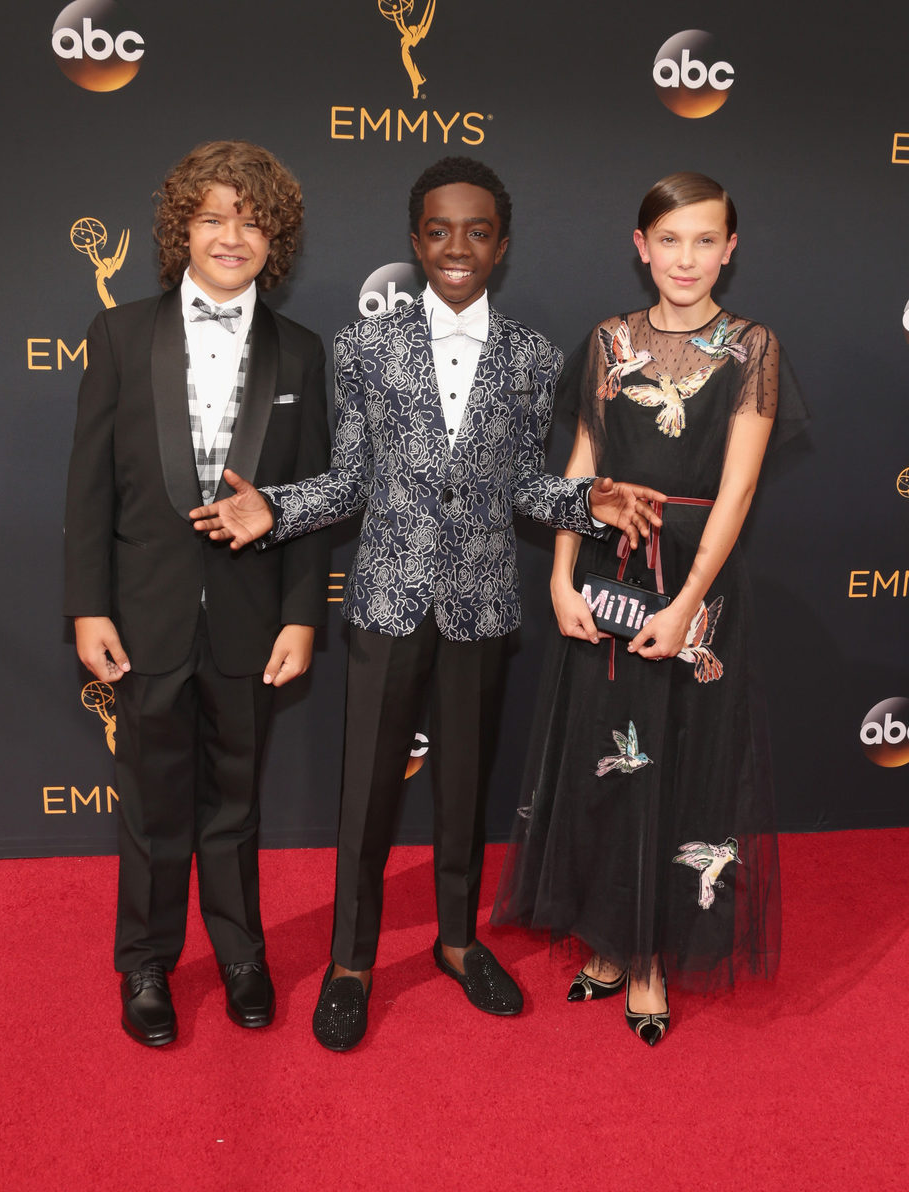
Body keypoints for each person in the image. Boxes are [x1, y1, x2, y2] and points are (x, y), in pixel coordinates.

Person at [190, 156, 664, 1051]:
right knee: (366, 796)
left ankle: (456, 941)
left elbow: (526, 482)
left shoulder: (533, 356)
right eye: (439, 230)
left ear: (503, 245)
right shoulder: (361, 348)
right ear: (415, 241)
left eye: (477, 231)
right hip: (385, 601)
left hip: (480, 608)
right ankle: (351, 964)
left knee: (465, 789)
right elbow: (352, 479)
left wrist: (586, 500)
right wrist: (276, 509)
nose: (458, 247)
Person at [491, 172, 807, 1046]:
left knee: (682, 764)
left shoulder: (753, 348)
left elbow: (738, 490)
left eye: (706, 240)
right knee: (603, 755)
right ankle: (603, 935)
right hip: (604, 569)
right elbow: (583, 460)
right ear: (640, 246)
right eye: (669, 240)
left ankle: (652, 958)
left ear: (731, 249)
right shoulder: (606, 341)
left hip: (695, 584)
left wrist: (687, 605)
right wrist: (559, 576)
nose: (687, 258)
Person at [63, 140, 331, 1046]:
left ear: (276, 241)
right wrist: (87, 605)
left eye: (253, 221)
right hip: (143, 615)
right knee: (148, 799)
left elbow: (306, 498)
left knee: (235, 799)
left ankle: (241, 952)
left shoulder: (300, 352)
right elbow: (89, 486)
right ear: (181, 229)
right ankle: (145, 962)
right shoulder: (119, 334)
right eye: (213, 217)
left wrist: (301, 615)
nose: (232, 236)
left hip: (252, 622)